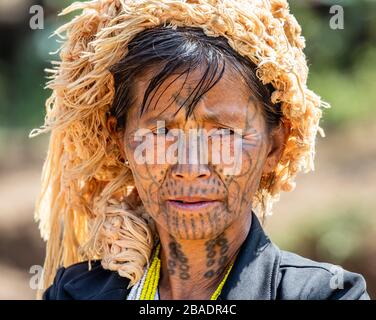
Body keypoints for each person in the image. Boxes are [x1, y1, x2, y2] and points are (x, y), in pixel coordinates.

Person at [30, 0, 369, 300]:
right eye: (161, 132)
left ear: (274, 146)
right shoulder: (75, 292)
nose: (190, 167)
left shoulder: (328, 295)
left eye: (222, 133)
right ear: (121, 141)